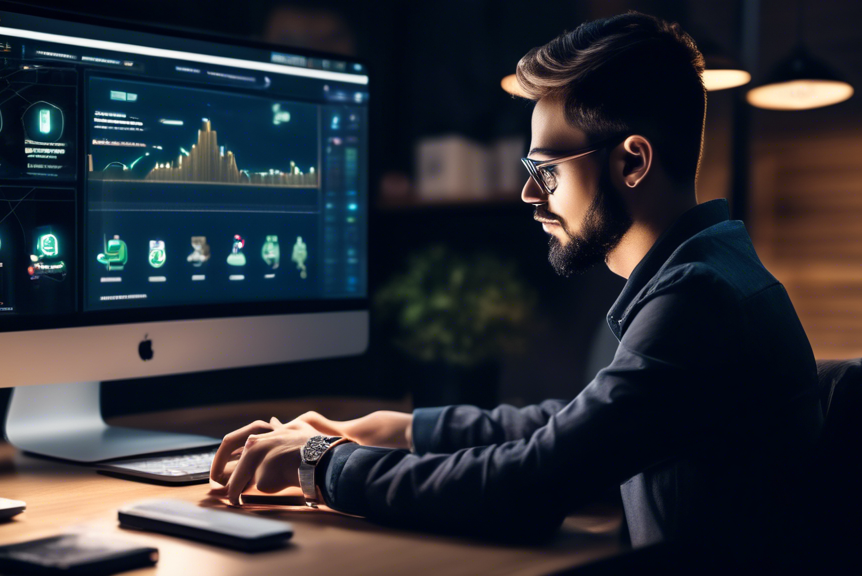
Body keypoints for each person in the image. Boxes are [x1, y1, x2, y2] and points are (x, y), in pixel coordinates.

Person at [208, 11, 824, 555]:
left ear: (633, 161)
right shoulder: (712, 271)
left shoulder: (701, 300)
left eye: (546, 170)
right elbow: (574, 425)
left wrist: (323, 464)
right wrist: (399, 429)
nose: (530, 195)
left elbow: (528, 485)